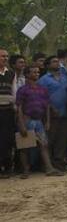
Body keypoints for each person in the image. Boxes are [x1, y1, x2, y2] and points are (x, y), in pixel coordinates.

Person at [15, 66, 64, 178]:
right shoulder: (23, 90)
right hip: (27, 120)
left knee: (44, 145)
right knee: (25, 146)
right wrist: (21, 123)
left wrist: (47, 121)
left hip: (38, 121)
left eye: (38, 72)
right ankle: (25, 170)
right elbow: (19, 108)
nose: (37, 74)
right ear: (27, 74)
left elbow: (46, 106)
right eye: (34, 72)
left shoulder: (43, 89)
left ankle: (49, 168)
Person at [37, 56, 67, 171]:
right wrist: (51, 108)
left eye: (58, 61)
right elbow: (42, 97)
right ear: (47, 65)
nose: (57, 63)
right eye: (54, 62)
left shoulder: (65, 77)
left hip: (64, 112)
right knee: (49, 139)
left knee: (62, 139)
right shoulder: (43, 80)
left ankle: (59, 163)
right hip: (50, 115)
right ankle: (47, 164)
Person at [0, 49, 15, 179]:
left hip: (8, 110)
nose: (5, 58)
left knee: (7, 139)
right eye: (2, 56)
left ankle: (7, 167)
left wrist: (14, 106)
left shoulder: (11, 73)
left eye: (6, 56)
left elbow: (13, 91)